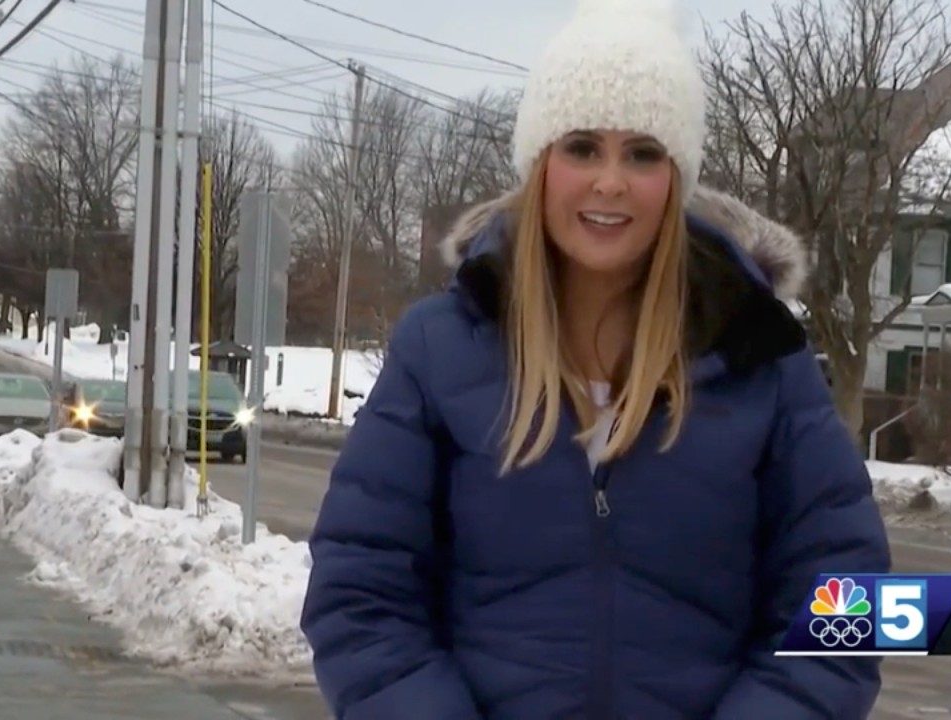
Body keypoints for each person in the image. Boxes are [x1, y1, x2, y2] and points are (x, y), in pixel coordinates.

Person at [300, 0, 891, 717]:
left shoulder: (761, 354)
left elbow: (847, 604)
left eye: (642, 152)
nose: (610, 181)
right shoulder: (438, 347)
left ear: (676, 178)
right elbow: (360, 594)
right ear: (541, 164)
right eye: (582, 146)